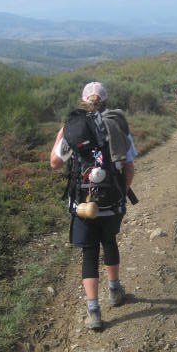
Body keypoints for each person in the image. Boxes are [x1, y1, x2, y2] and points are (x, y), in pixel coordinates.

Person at [50, 81, 137, 331]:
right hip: (111, 201)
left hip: (82, 204)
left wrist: (62, 132)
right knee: (109, 242)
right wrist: (121, 192)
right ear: (106, 101)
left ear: (83, 101)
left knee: (89, 253)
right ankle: (114, 291)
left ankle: (94, 311)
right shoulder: (117, 125)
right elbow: (129, 167)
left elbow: (55, 163)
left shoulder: (73, 127)